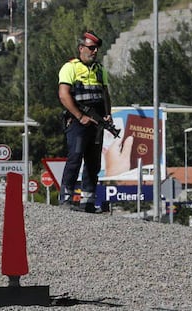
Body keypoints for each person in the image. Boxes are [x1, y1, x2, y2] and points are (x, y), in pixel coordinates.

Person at [58, 30, 113, 213]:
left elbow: (105, 94)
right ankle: (66, 198)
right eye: (91, 48)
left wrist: (107, 114)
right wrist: (80, 116)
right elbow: (64, 95)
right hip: (77, 122)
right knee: (75, 157)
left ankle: (88, 201)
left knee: (93, 162)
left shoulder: (99, 70)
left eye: (96, 48)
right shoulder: (70, 68)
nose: (95, 51)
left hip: (97, 122)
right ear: (81, 48)